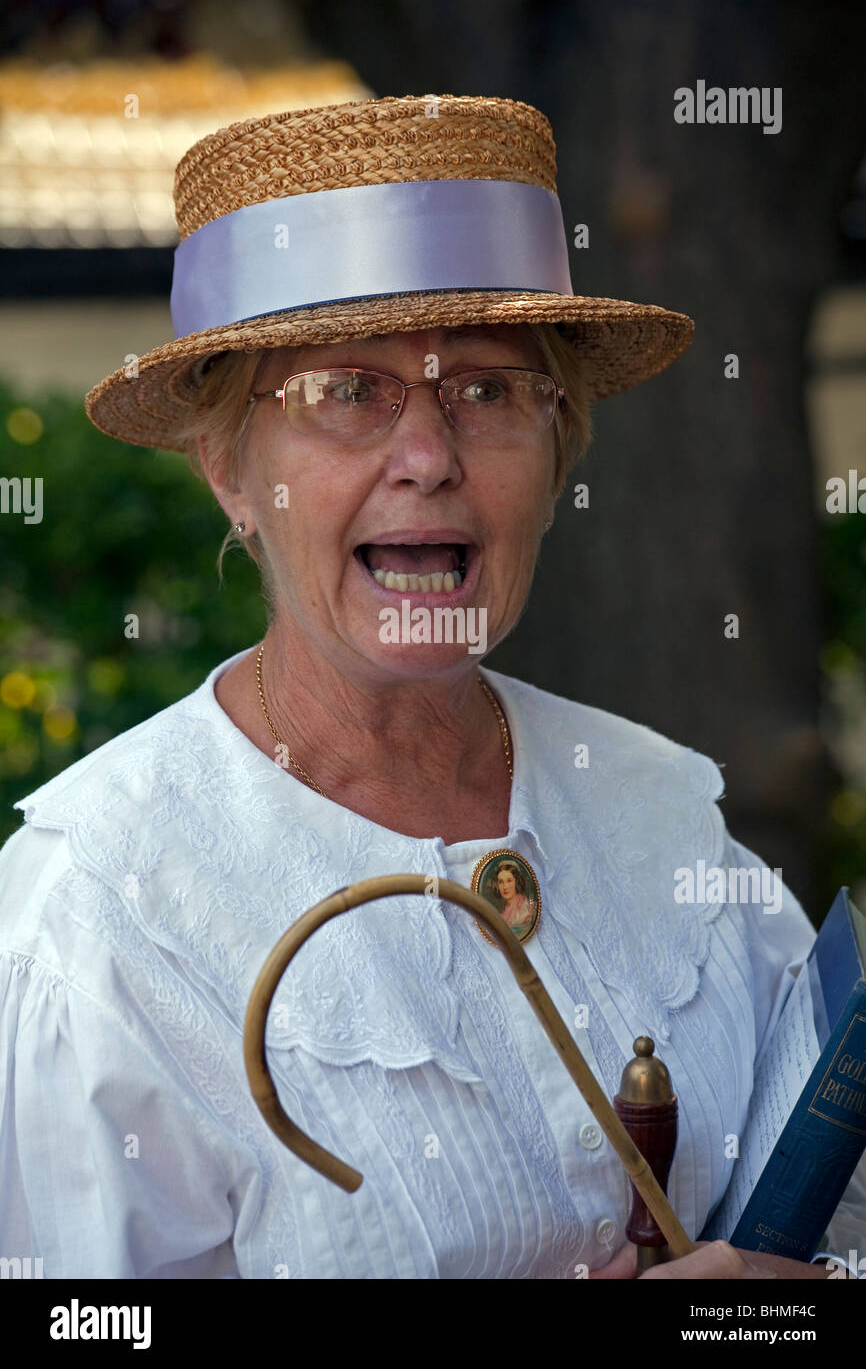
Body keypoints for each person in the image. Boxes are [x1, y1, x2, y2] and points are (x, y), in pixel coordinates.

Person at [0, 93, 863, 1280]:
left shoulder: (659, 814)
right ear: (228, 474)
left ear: (556, 449)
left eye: (489, 389)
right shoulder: (99, 917)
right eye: (345, 391)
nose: (428, 457)